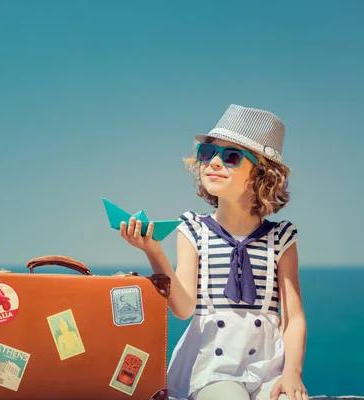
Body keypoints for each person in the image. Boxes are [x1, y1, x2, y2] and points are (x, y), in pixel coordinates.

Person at [119, 104, 308, 400]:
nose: (214, 162)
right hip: (214, 370)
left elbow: (293, 317)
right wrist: (153, 250)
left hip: (269, 370)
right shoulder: (194, 229)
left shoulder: (281, 237)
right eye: (207, 153)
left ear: (263, 174)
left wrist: (292, 374)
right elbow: (183, 308)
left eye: (231, 156)